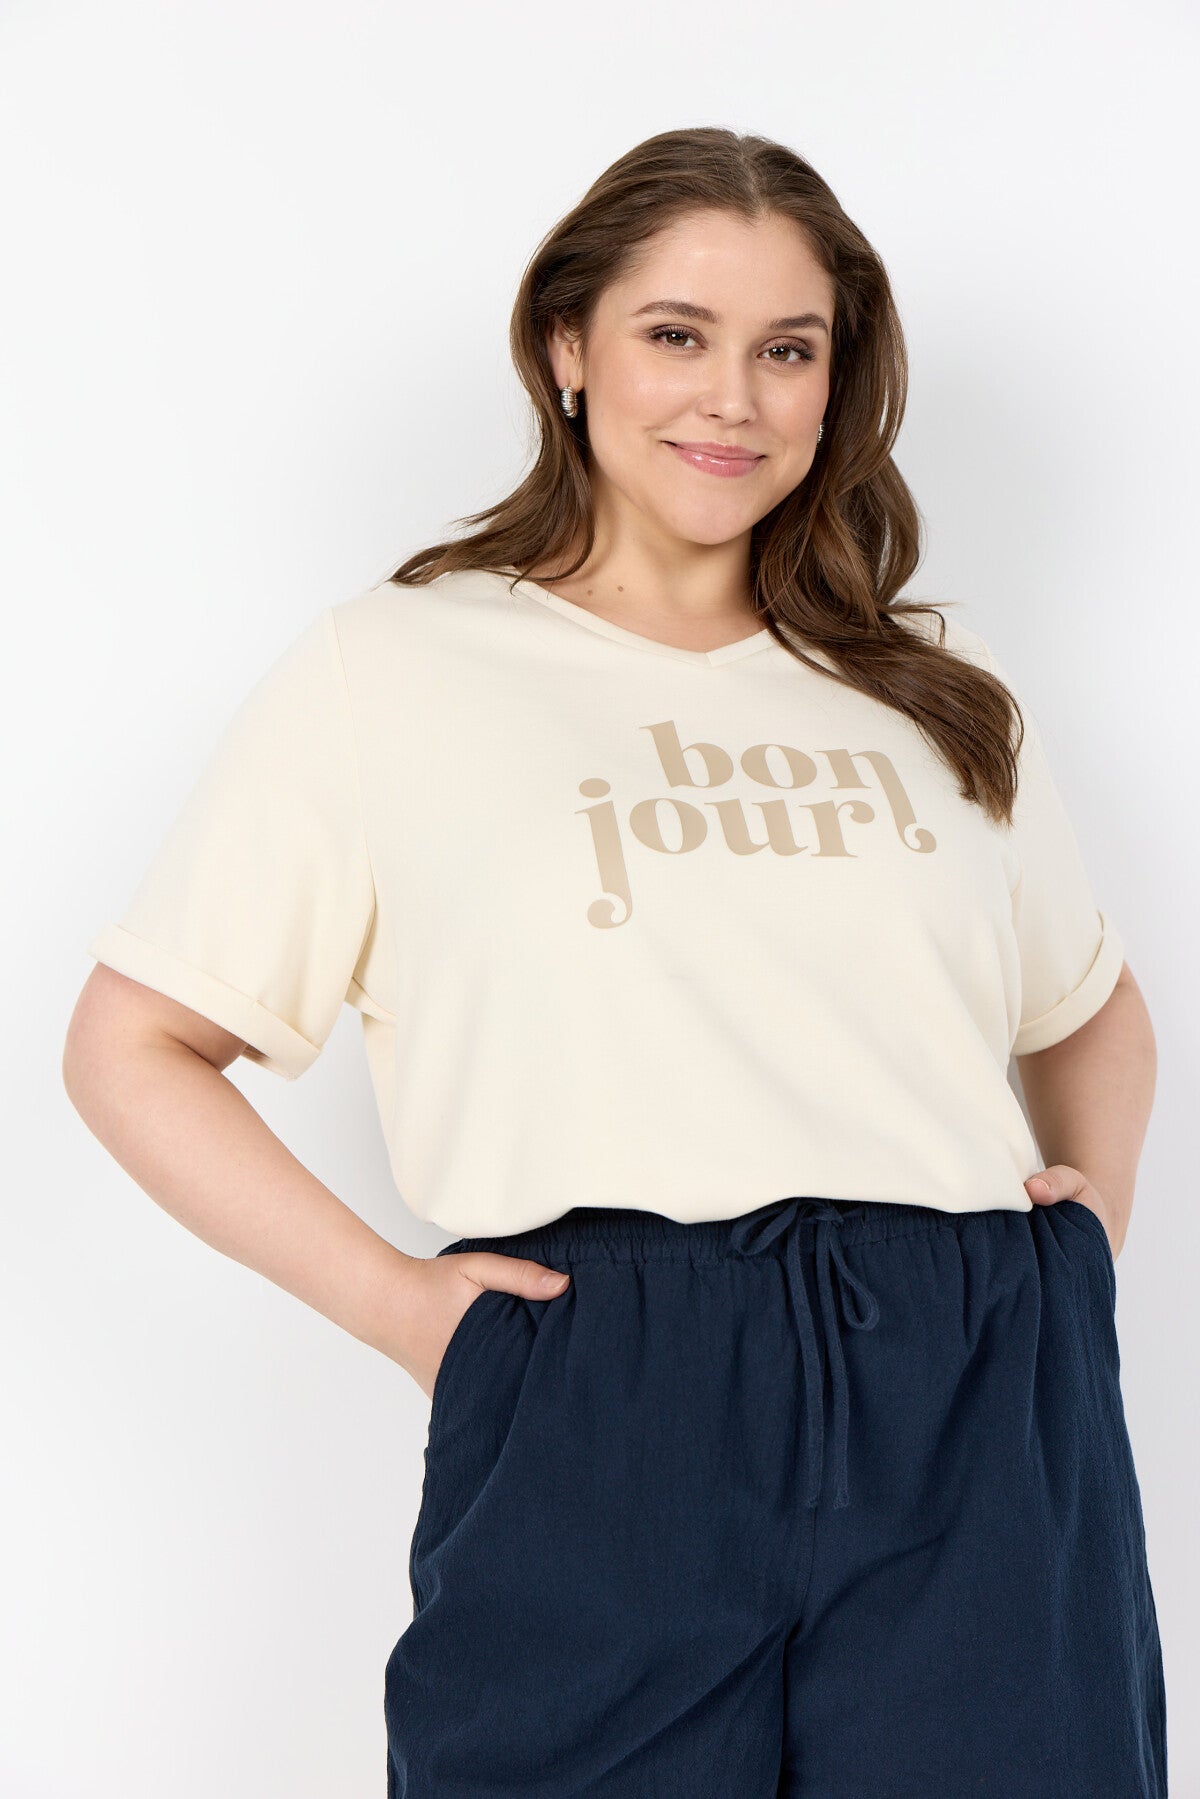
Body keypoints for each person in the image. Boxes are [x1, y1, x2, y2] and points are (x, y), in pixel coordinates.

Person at [63, 126, 1168, 1796]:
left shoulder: (937, 683)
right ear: (567, 346)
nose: (734, 397)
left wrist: (1075, 1259)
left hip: (973, 1387)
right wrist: (405, 1311)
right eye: (677, 334)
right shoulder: (399, 668)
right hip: (606, 1381)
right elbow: (132, 1043)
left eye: (787, 350)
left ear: (837, 384)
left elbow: (1087, 1008)